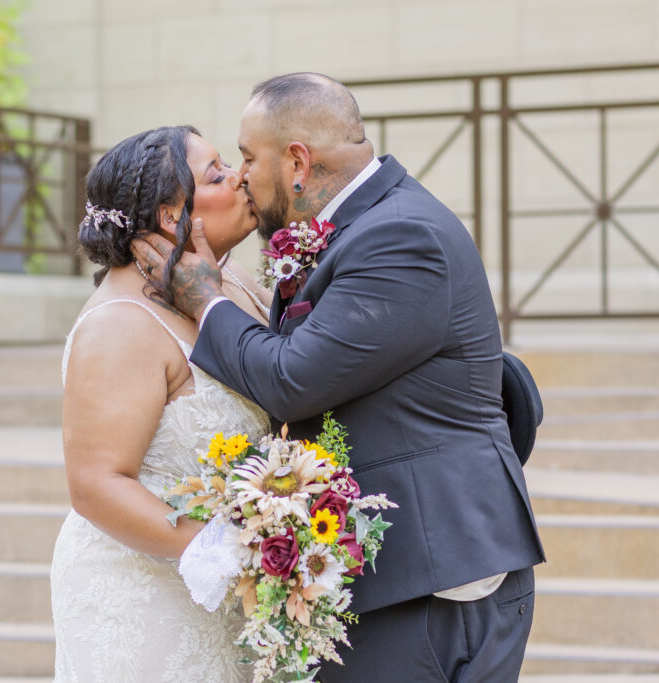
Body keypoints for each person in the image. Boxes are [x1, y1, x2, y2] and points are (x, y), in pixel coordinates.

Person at [132, 74, 546, 682]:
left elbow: (293, 381)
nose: (242, 175)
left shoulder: (401, 237)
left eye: (248, 158)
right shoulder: (361, 225)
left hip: (436, 578)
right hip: (399, 573)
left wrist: (205, 302)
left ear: (297, 161)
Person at [50, 125, 273, 681]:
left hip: (228, 594)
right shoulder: (120, 326)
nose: (241, 175)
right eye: (218, 173)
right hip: (147, 598)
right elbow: (97, 484)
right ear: (174, 218)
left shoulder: (233, 283)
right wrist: (228, 553)